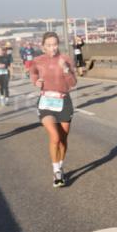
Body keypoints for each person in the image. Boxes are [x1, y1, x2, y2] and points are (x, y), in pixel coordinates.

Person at [30, 32, 77, 188]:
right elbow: (33, 76)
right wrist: (37, 82)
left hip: (63, 102)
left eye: (55, 44)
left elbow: (73, 83)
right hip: (46, 103)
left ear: (58, 44)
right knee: (55, 137)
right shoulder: (38, 61)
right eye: (49, 45)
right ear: (43, 46)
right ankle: (56, 171)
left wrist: (65, 70)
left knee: (63, 141)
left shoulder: (66, 59)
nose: (52, 48)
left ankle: (61, 165)